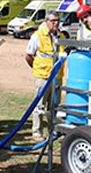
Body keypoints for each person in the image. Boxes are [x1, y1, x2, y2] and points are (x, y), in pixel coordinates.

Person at [25, 11, 64, 140]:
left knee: (54, 106)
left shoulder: (62, 37)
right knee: (39, 105)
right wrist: (37, 69)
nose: (55, 23)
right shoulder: (38, 36)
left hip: (57, 78)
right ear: (46, 22)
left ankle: (52, 130)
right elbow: (28, 56)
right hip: (42, 77)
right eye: (52, 20)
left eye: (57, 20)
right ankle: (37, 132)